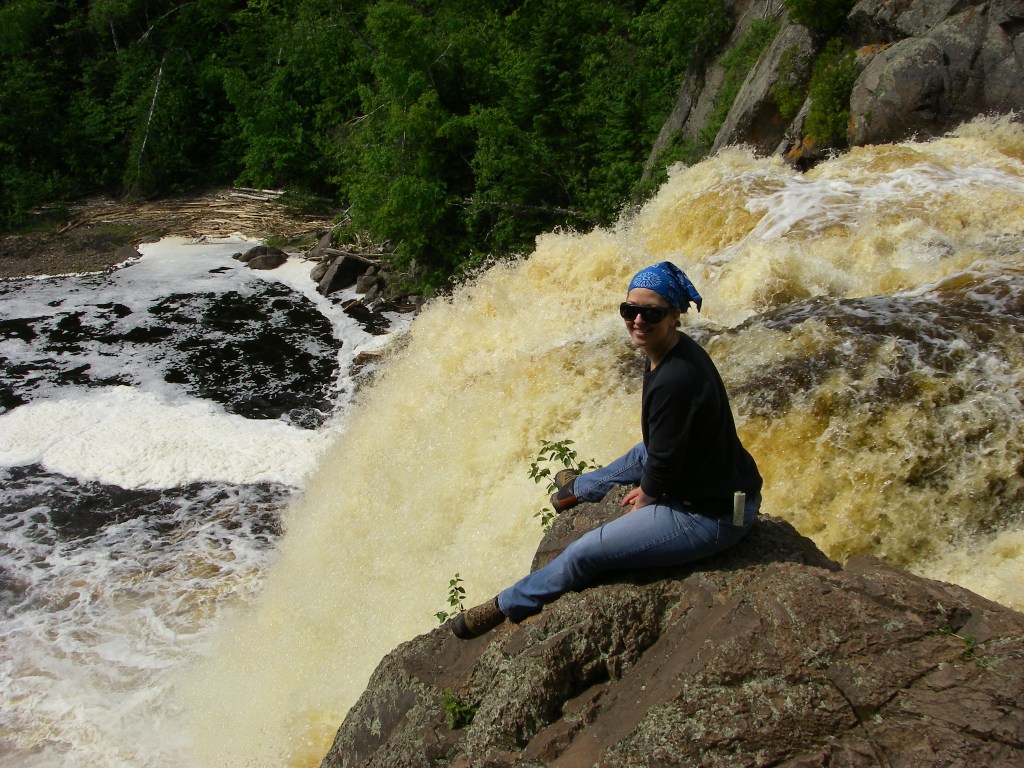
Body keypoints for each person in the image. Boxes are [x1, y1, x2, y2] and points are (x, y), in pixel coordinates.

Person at [451, 261, 763, 639]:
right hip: (722, 484)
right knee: (640, 452)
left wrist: (646, 498)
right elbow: (662, 446)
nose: (638, 320)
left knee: (587, 552)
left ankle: (506, 604)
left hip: (712, 516)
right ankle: (580, 489)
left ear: (674, 315)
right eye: (629, 310)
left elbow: (664, 461)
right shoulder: (671, 351)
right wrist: (652, 478)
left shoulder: (675, 378)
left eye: (651, 313)